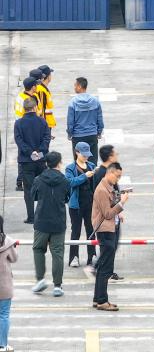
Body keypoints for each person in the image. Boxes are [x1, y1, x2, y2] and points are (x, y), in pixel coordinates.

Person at [31, 151, 70, 298]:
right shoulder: (64, 180)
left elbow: (34, 196)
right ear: (59, 163)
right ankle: (57, 286)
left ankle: (40, 279)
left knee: (38, 249)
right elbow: (67, 197)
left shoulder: (38, 179)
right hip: (58, 221)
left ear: (46, 163)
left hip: (41, 220)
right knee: (57, 253)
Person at [92, 162, 129, 311]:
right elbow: (107, 214)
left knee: (103, 266)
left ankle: (98, 298)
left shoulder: (108, 187)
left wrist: (118, 208)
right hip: (105, 230)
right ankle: (102, 300)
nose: (118, 180)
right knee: (105, 268)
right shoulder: (102, 190)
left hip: (109, 229)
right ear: (110, 172)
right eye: (117, 176)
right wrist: (121, 203)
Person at [91, 145, 125, 284]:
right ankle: (99, 269)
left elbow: (114, 192)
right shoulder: (102, 173)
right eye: (115, 153)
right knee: (109, 246)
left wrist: (119, 210)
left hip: (113, 214)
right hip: (106, 217)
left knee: (113, 245)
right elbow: (104, 197)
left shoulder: (110, 171)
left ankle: (107, 271)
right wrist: (119, 205)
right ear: (110, 156)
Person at [14, 96, 50, 224]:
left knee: (28, 189)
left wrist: (30, 152)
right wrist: (38, 152)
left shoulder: (18, 123)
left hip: (26, 161)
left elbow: (19, 140)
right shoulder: (42, 122)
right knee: (43, 188)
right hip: (40, 160)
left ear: (24, 108)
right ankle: (43, 215)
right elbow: (46, 138)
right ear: (35, 107)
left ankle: (31, 217)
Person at [66, 142, 97, 272]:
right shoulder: (70, 168)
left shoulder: (92, 166)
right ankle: (74, 257)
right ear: (77, 152)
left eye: (87, 155)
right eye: (83, 155)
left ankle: (92, 256)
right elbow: (70, 182)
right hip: (76, 205)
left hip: (90, 203)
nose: (86, 157)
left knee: (91, 230)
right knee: (76, 231)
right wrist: (85, 176)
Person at [66, 77, 103, 161]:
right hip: (92, 134)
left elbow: (70, 121)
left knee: (79, 162)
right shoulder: (95, 101)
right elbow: (99, 118)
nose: (74, 87)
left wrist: (70, 133)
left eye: (75, 85)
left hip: (78, 136)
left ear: (79, 86)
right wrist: (99, 132)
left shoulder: (73, 102)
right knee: (92, 161)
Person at [0, 216, 17, 352]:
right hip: (4, 285)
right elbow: (14, 258)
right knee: (4, 315)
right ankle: (2, 345)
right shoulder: (7, 241)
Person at [29, 65, 57, 132]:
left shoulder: (42, 88)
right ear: (48, 76)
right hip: (44, 124)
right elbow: (40, 109)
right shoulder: (41, 90)